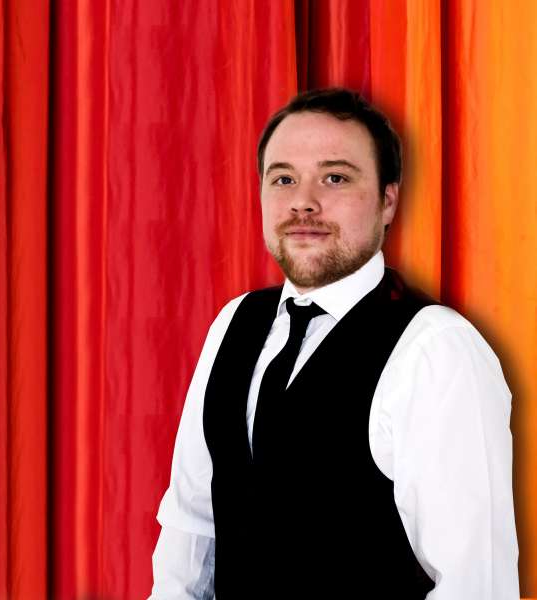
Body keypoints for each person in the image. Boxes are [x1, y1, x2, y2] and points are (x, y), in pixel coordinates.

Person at [148, 88, 520, 599]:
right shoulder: (234, 322)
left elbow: (475, 583)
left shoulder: (437, 350)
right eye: (283, 179)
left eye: (335, 177)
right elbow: (193, 524)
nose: (303, 201)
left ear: (388, 200)